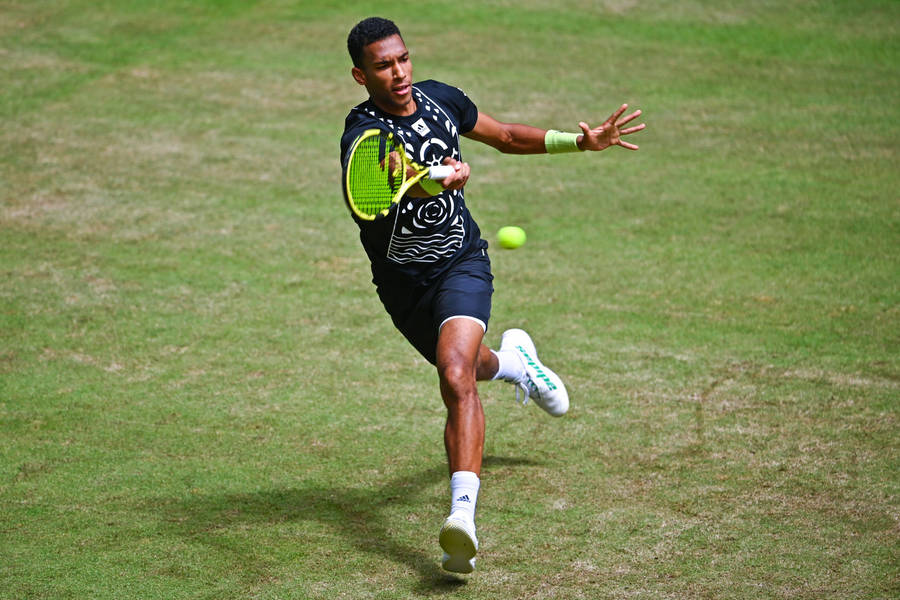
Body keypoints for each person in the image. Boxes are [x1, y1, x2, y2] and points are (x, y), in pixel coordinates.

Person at [340, 17, 644, 574]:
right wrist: (432, 179)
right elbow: (383, 176)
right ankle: (514, 363)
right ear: (361, 75)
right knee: (472, 367)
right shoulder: (364, 134)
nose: (400, 72)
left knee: (454, 375)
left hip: (461, 262)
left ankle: (462, 519)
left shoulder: (441, 100)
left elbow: (504, 136)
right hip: (403, 286)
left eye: (403, 58)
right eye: (383, 66)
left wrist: (579, 141)